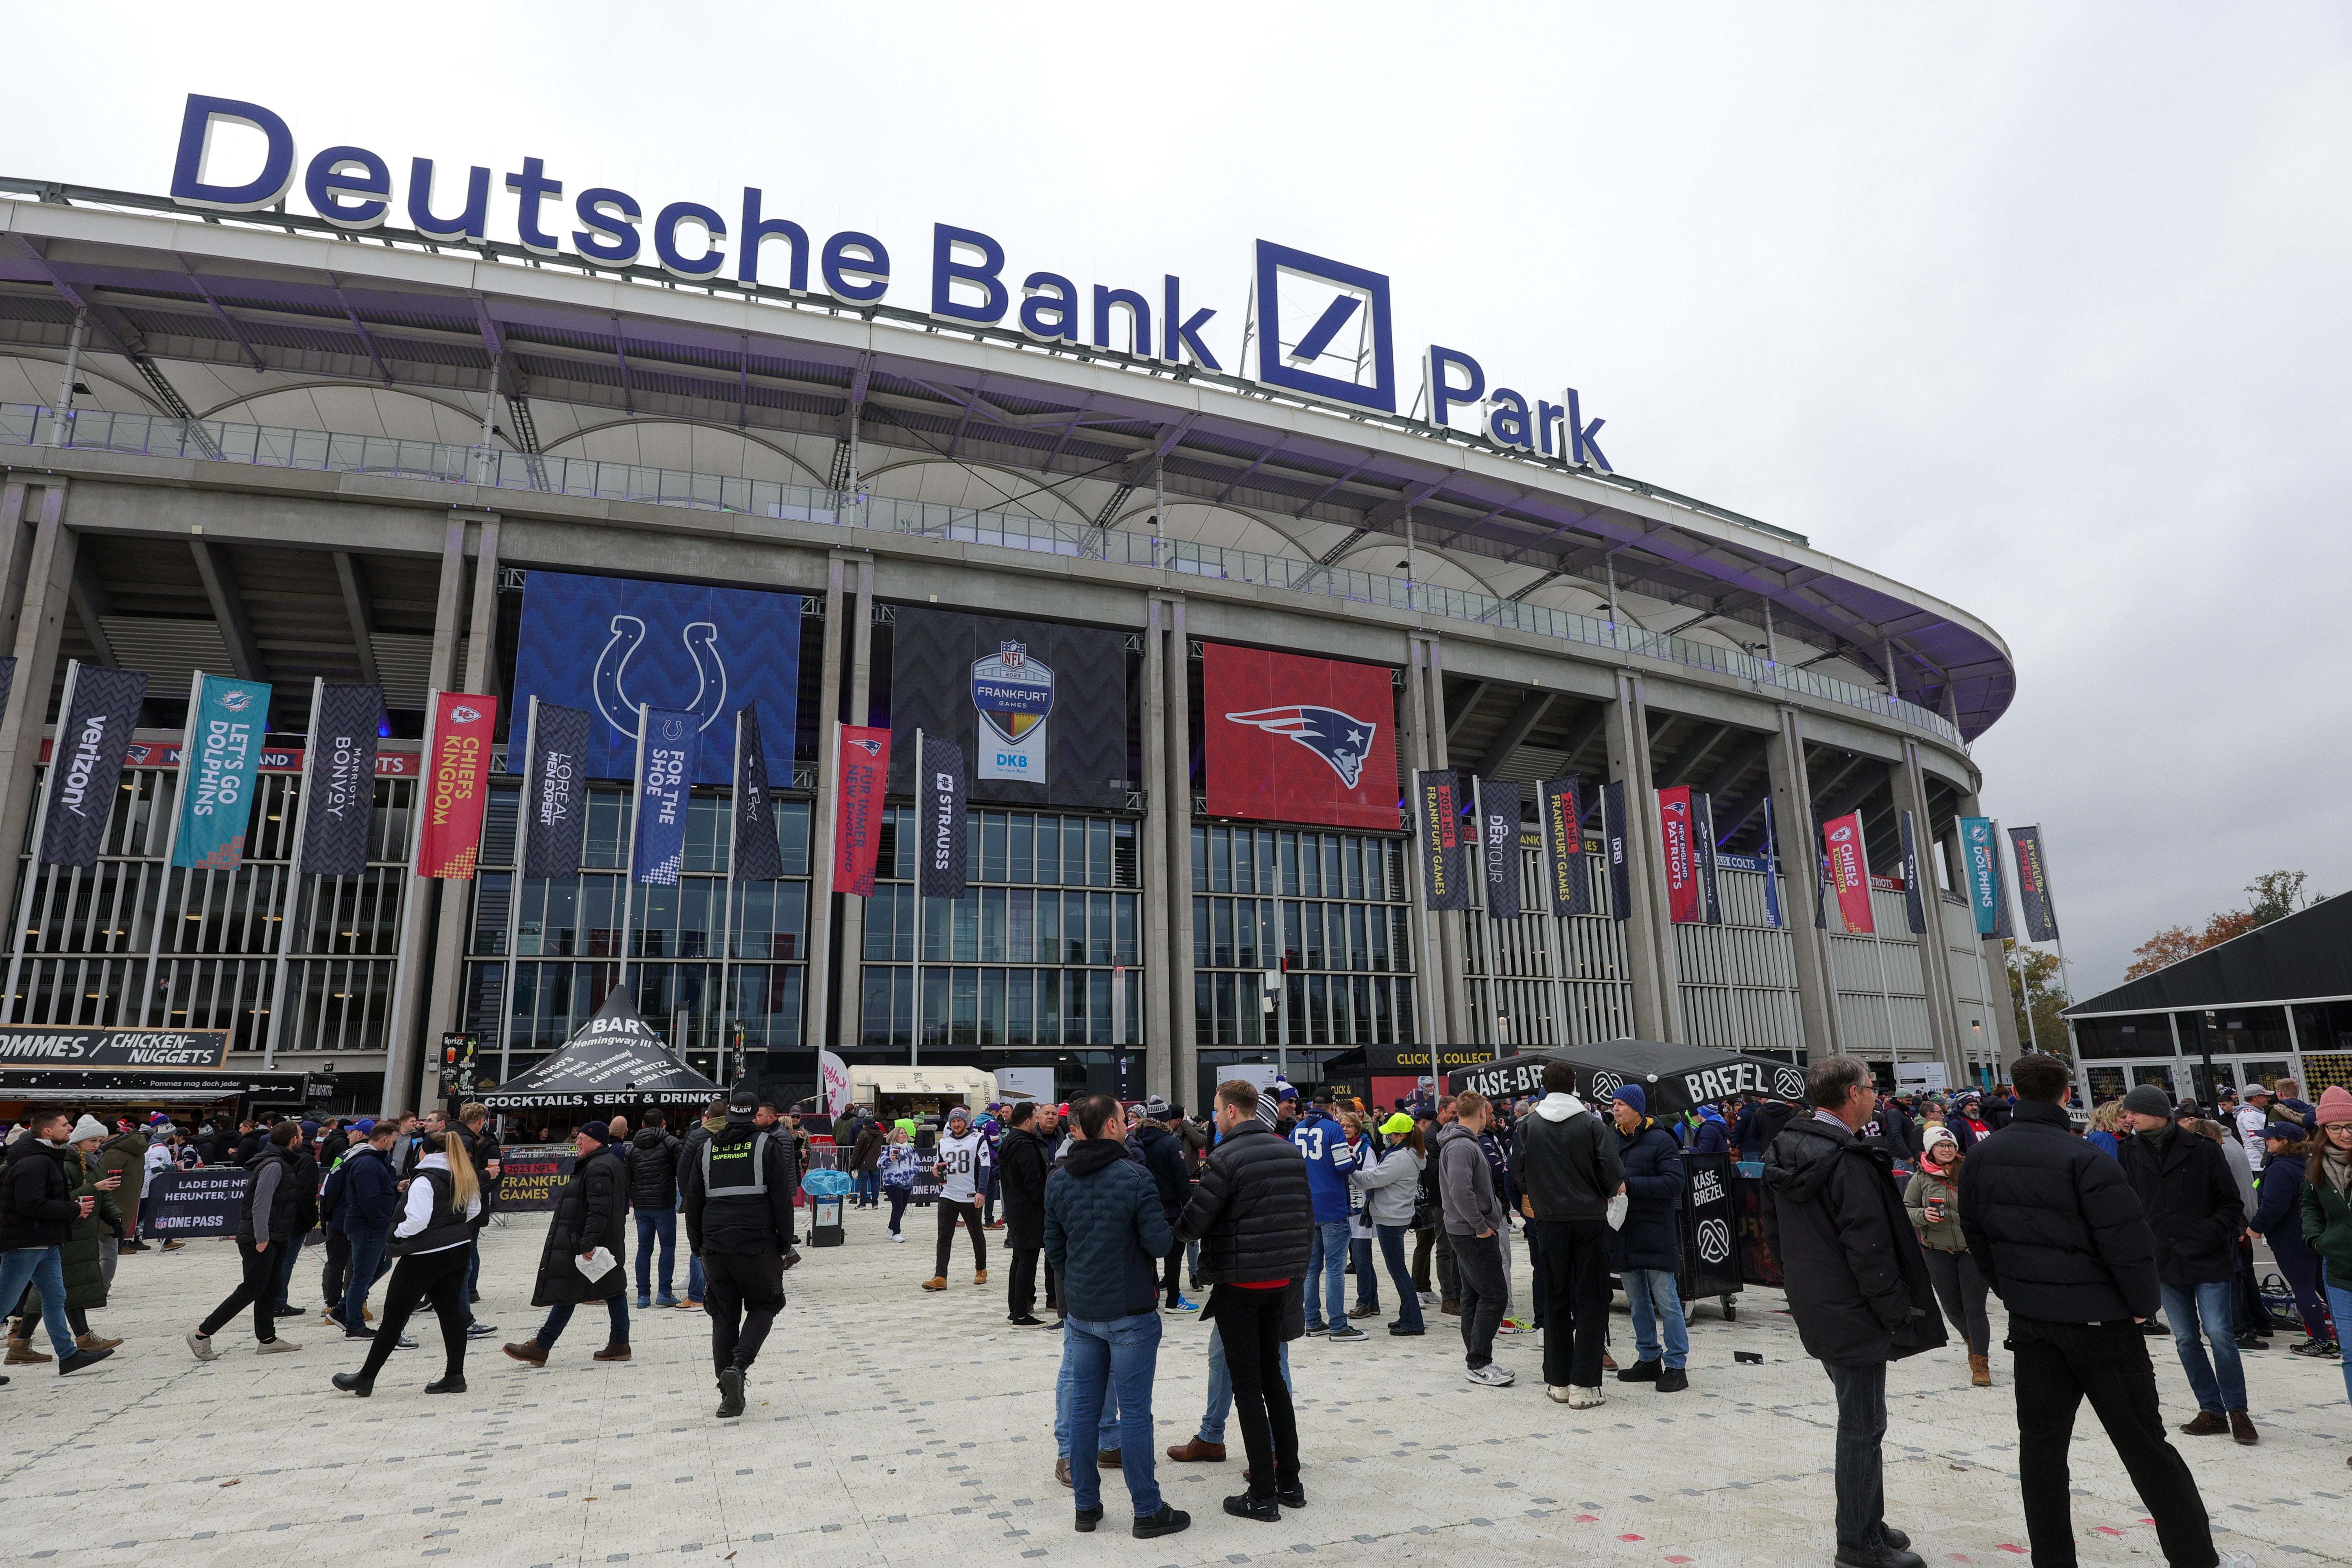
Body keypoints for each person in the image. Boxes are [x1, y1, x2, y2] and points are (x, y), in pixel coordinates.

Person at [1957, 1053, 2244, 1568]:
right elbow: (2127, 1241)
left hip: (2034, 1321)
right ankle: (2195, 1556)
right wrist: (2141, 1307)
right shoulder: (2084, 1156)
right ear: (2067, 1093)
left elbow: (1977, 1237)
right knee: (2144, 1444)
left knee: (2042, 1449)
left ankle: (2053, 1557)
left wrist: (2013, 1291)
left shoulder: (1984, 1155)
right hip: (2098, 1323)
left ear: (2016, 1093)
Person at [1763, 1056, 1944, 1568]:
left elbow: (1774, 1233)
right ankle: (1858, 1544)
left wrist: (1802, 1287)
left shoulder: (1784, 1146)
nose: (1873, 1095)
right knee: (1862, 1425)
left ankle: (1869, 1520)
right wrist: (1893, 1312)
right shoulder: (1847, 1158)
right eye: (1869, 1087)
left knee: (1862, 1419)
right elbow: (1870, 1246)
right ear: (1850, 1093)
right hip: (1856, 1307)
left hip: (1820, 1302)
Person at [1043, 1093, 1188, 1540]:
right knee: (1135, 1413)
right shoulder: (1135, 1176)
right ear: (1110, 1125)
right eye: (1124, 1119)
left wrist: (1081, 1283)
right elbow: (1160, 1245)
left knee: (1085, 1410)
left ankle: (1086, 1506)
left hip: (1084, 1312)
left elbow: (1056, 1249)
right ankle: (1147, 1508)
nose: (1130, 1124)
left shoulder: (1060, 1179)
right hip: (1130, 1310)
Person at [1174, 1079, 1311, 1523]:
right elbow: (1302, 1215)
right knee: (1273, 1379)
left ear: (1233, 1111)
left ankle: (1262, 1494)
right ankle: (1290, 1481)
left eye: (1216, 1110)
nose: (1213, 1118)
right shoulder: (1288, 1151)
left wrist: (1170, 1230)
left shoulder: (1225, 1156)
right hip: (1280, 1282)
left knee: (1248, 1385)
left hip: (1241, 1283)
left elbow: (1196, 1220)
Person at [2115, 1083, 2256, 1444]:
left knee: (2220, 1334)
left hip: (2206, 1258)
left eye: (2133, 1111)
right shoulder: (2126, 1151)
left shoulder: (2203, 1150)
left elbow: (2230, 1203)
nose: (2127, 1117)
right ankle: (2210, 1410)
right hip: (2162, 1260)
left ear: (2156, 1112)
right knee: (2184, 1340)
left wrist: (2208, 1233)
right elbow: (2126, 1205)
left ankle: (2237, 1410)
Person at [330, 1129, 483, 1396]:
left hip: (424, 1255)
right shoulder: (462, 1173)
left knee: (394, 1317)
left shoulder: (426, 1178)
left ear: (425, 1151)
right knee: (450, 1314)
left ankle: (366, 1378)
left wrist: (398, 1234)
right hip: (458, 1248)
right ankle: (454, 1375)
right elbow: (474, 1210)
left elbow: (418, 1221)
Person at [1509, 1064, 1623, 1404]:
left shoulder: (1527, 1125)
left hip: (1549, 1221)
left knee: (1555, 1297)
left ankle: (1557, 1381)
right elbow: (1612, 1174)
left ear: (1543, 1086)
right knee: (1590, 1298)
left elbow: (1518, 1173)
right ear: (1574, 1085)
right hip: (1589, 1218)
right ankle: (1583, 1385)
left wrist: (1541, 1197)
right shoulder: (1591, 1123)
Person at [681, 1084, 796, 1418]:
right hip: (756, 1245)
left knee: (724, 1316)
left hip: (715, 1248)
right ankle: (739, 1367)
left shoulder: (705, 1150)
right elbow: (782, 1200)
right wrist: (784, 1246)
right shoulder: (766, 1145)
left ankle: (727, 1393)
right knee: (766, 1303)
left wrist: (698, 1248)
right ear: (755, 1116)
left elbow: (693, 1204)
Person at [504, 1120, 631, 1367]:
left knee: (570, 1291)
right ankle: (619, 1343)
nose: (578, 1143)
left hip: (588, 1241)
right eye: (577, 1138)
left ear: (598, 1141)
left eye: (583, 1139)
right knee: (613, 1289)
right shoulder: (601, 1162)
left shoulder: (599, 1166)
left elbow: (599, 1209)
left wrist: (588, 1243)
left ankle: (542, 1346)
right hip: (602, 1240)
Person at [0, 1109, 111, 1375]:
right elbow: (30, 1204)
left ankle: (69, 1355)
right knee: (4, 1303)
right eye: (64, 1125)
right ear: (48, 1131)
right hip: (27, 1243)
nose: (70, 1128)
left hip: (45, 1242)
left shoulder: (45, 1157)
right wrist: (73, 1209)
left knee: (55, 1298)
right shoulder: (35, 1161)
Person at [187, 1120, 308, 1360]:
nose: (303, 1138)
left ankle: (267, 1339)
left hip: (276, 1235)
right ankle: (202, 1334)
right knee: (251, 1288)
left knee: (271, 1287)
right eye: (301, 1134)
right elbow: (260, 1203)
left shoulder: (281, 1162)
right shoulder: (274, 1165)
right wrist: (262, 1237)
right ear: (293, 1139)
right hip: (261, 1237)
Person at [17, 1117, 125, 1355]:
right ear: (78, 1140)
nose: (97, 1144)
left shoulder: (93, 1162)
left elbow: (103, 1197)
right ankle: (79, 1339)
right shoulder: (65, 1163)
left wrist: (114, 1218)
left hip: (84, 1235)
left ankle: (22, 1343)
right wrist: (93, 1189)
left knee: (59, 1290)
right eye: (92, 1140)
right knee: (55, 1290)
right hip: (68, 1234)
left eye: (99, 1140)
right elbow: (63, 1199)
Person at [1607, 1085, 1688, 1393]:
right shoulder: (1611, 1136)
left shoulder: (1661, 1139)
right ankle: (1648, 1358)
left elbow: (1674, 1183)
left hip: (1654, 1231)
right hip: (1623, 1231)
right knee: (1637, 1301)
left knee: (1666, 1300)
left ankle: (1677, 1365)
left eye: (1621, 1105)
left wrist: (1630, 1185)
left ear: (1637, 1109)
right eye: (1614, 1104)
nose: (1615, 1109)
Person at [1435, 1090, 1516, 1388]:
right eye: (1490, 1113)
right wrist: (1481, 1226)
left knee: (1474, 1295)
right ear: (1481, 1113)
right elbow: (1460, 1190)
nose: (1492, 1118)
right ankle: (1479, 1361)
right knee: (1495, 1295)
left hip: (1467, 1229)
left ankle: (1476, 1357)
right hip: (1471, 1232)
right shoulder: (1461, 1147)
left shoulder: (1463, 1143)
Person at [1904, 1123, 1989, 1386]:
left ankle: (1980, 1362)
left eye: (1951, 1145)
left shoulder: (1970, 1171)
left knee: (1974, 1308)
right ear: (1930, 1150)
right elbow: (1906, 1209)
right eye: (1942, 1146)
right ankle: (1971, 1341)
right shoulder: (1921, 1178)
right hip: (1937, 1250)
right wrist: (1923, 1215)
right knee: (1952, 1309)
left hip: (1971, 1250)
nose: (1947, 1149)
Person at [2299, 1086, 2352, 1455]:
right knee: (2350, 1354)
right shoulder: (2316, 1165)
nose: (2344, 1134)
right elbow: (2309, 1207)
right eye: (2334, 1128)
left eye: (2350, 1125)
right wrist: (2317, 1240)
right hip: (2340, 1274)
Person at [2250, 1125, 2332, 1357]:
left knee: (2303, 1289)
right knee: (2325, 1287)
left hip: (2291, 1238)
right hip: (2315, 1234)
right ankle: (2342, 1334)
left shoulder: (2281, 1169)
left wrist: (2256, 1227)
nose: (2266, 1142)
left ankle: (2321, 1341)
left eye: (2270, 1139)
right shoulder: (2308, 1162)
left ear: (2284, 1142)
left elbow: (2274, 1205)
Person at [325, 1119, 404, 1346]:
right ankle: (355, 1326)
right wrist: (382, 1223)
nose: (393, 1147)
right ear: (384, 1139)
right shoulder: (368, 1162)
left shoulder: (373, 1161)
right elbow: (367, 1198)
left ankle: (341, 1310)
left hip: (369, 1225)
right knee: (361, 1276)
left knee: (383, 1265)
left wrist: (393, 1187)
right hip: (367, 1227)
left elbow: (374, 1190)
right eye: (393, 1142)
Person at [1290, 1092, 1361, 1340]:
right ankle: (1339, 1325)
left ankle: (1312, 1321)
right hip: (1332, 1206)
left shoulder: (1297, 1129)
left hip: (1306, 1207)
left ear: (1310, 1107)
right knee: (1334, 1270)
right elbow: (1344, 1167)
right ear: (1332, 1107)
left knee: (1311, 1270)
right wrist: (1353, 1160)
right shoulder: (1333, 1129)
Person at [1350, 1113, 1425, 1335]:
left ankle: (1413, 1322)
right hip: (1396, 1216)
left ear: (1401, 1135)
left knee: (1398, 1271)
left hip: (1391, 1218)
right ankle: (1407, 1315)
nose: (1388, 1138)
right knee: (1399, 1269)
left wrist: (1347, 1171)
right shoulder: (1410, 1152)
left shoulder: (1400, 1158)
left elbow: (1371, 1179)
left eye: (1391, 1134)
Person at [996, 1102, 1055, 1326]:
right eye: (1037, 1116)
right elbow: (1034, 1183)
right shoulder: (1025, 1145)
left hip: (1015, 1210)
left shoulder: (1009, 1142)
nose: (1039, 1120)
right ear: (1029, 1121)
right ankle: (1021, 1314)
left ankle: (1016, 1310)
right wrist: (1046, 1206)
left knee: (1019, 1259)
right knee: (1027, 1261)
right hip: (1029, 1212)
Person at [922, 1105, 989, 1292]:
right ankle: (940, 1276)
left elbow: (985, 1166)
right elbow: (940, 1165)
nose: (957, 1124)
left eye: (960, 1121)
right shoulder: (944, 1142)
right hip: (948, 1194)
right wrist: (937, 1171)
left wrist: (981, 1191)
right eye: (953, 1121)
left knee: (976, 1234)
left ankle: (981, 1269)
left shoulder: (978, 1139)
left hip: (970, 1195)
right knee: (944, 1236)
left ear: (966, 1122)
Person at [625, 1111, 684, 1309]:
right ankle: (664, 1293)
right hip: (664, 1203)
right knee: (667, 1247)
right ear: (664, 1124)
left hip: (641, 1206)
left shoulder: (632, 1147)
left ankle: (643, 1296)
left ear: (642, 1125)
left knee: (644, 1249)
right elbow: (681, 1171)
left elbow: (627, 1178)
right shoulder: (671, 1143)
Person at [879, 1127, 920, 1243]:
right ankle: (897, 1232)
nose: (904, 1135)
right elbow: (879, 1164)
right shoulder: (889, 1149)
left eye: (905, 1133)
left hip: (907, 1183)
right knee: (897, 1206)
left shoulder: (911, 1149)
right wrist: (888, 1159)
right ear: (896, 1136)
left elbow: (917, 1162)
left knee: (902, 1207)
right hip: (892, 1182)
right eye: (901, 1133)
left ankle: (891, 1227)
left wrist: (912, 1172)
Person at [851, 1113, 887, 1209]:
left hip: (864, 1162)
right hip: (876, 1162)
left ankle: (863, 1204)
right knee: (875, 1183)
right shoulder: (880, 1134)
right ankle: (875, 1203)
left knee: (864, 1183)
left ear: (865, 1125)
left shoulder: (863, 1134)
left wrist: (853, 1162)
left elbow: (857, 1149)